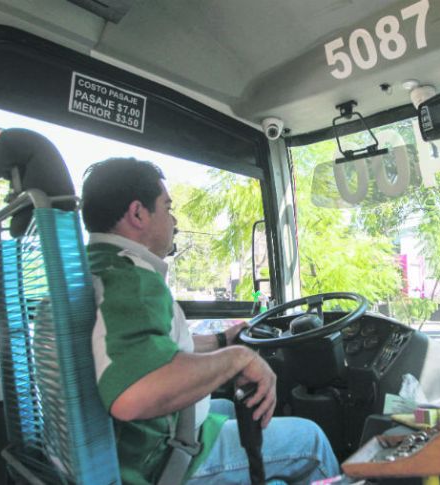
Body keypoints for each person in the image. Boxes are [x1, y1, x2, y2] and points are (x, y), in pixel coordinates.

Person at [81, 157, 340, 485]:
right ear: (138, 213)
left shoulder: (96, 269)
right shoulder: (130, 279)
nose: (174, 220)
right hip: (159, 462)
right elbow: (132, 394)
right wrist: (238, 358)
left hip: (138, 444)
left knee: (231, 408)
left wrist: (221, 342)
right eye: (167, 206)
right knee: (310, 440)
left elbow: (152, 350)